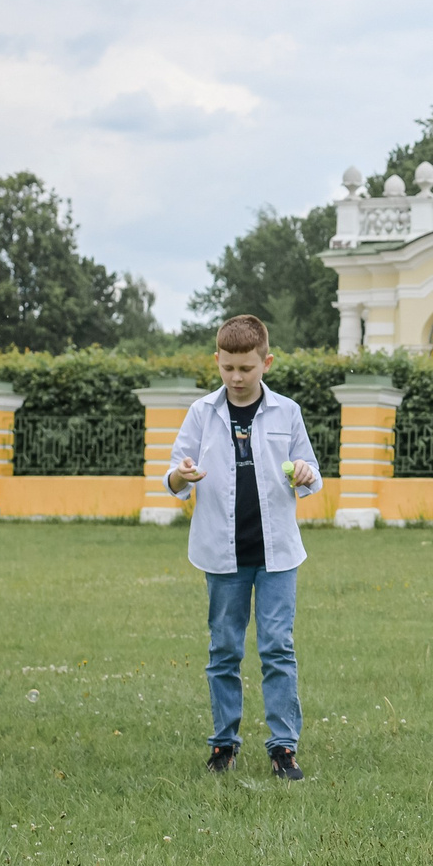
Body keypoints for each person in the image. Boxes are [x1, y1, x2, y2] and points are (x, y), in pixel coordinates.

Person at [164, 314, 322, 780]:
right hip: (221, 554)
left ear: (265, 363)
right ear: (217, 361)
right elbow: (173, 475)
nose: (236, 377)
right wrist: (182, 475)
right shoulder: (200, 413)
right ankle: (224, 744)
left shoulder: (287, 412)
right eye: (228, 367)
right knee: (224, 650)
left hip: (277, 555)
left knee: (277, 648)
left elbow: (308, 469)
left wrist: (307, 474)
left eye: (246, 368)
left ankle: (283, 748)